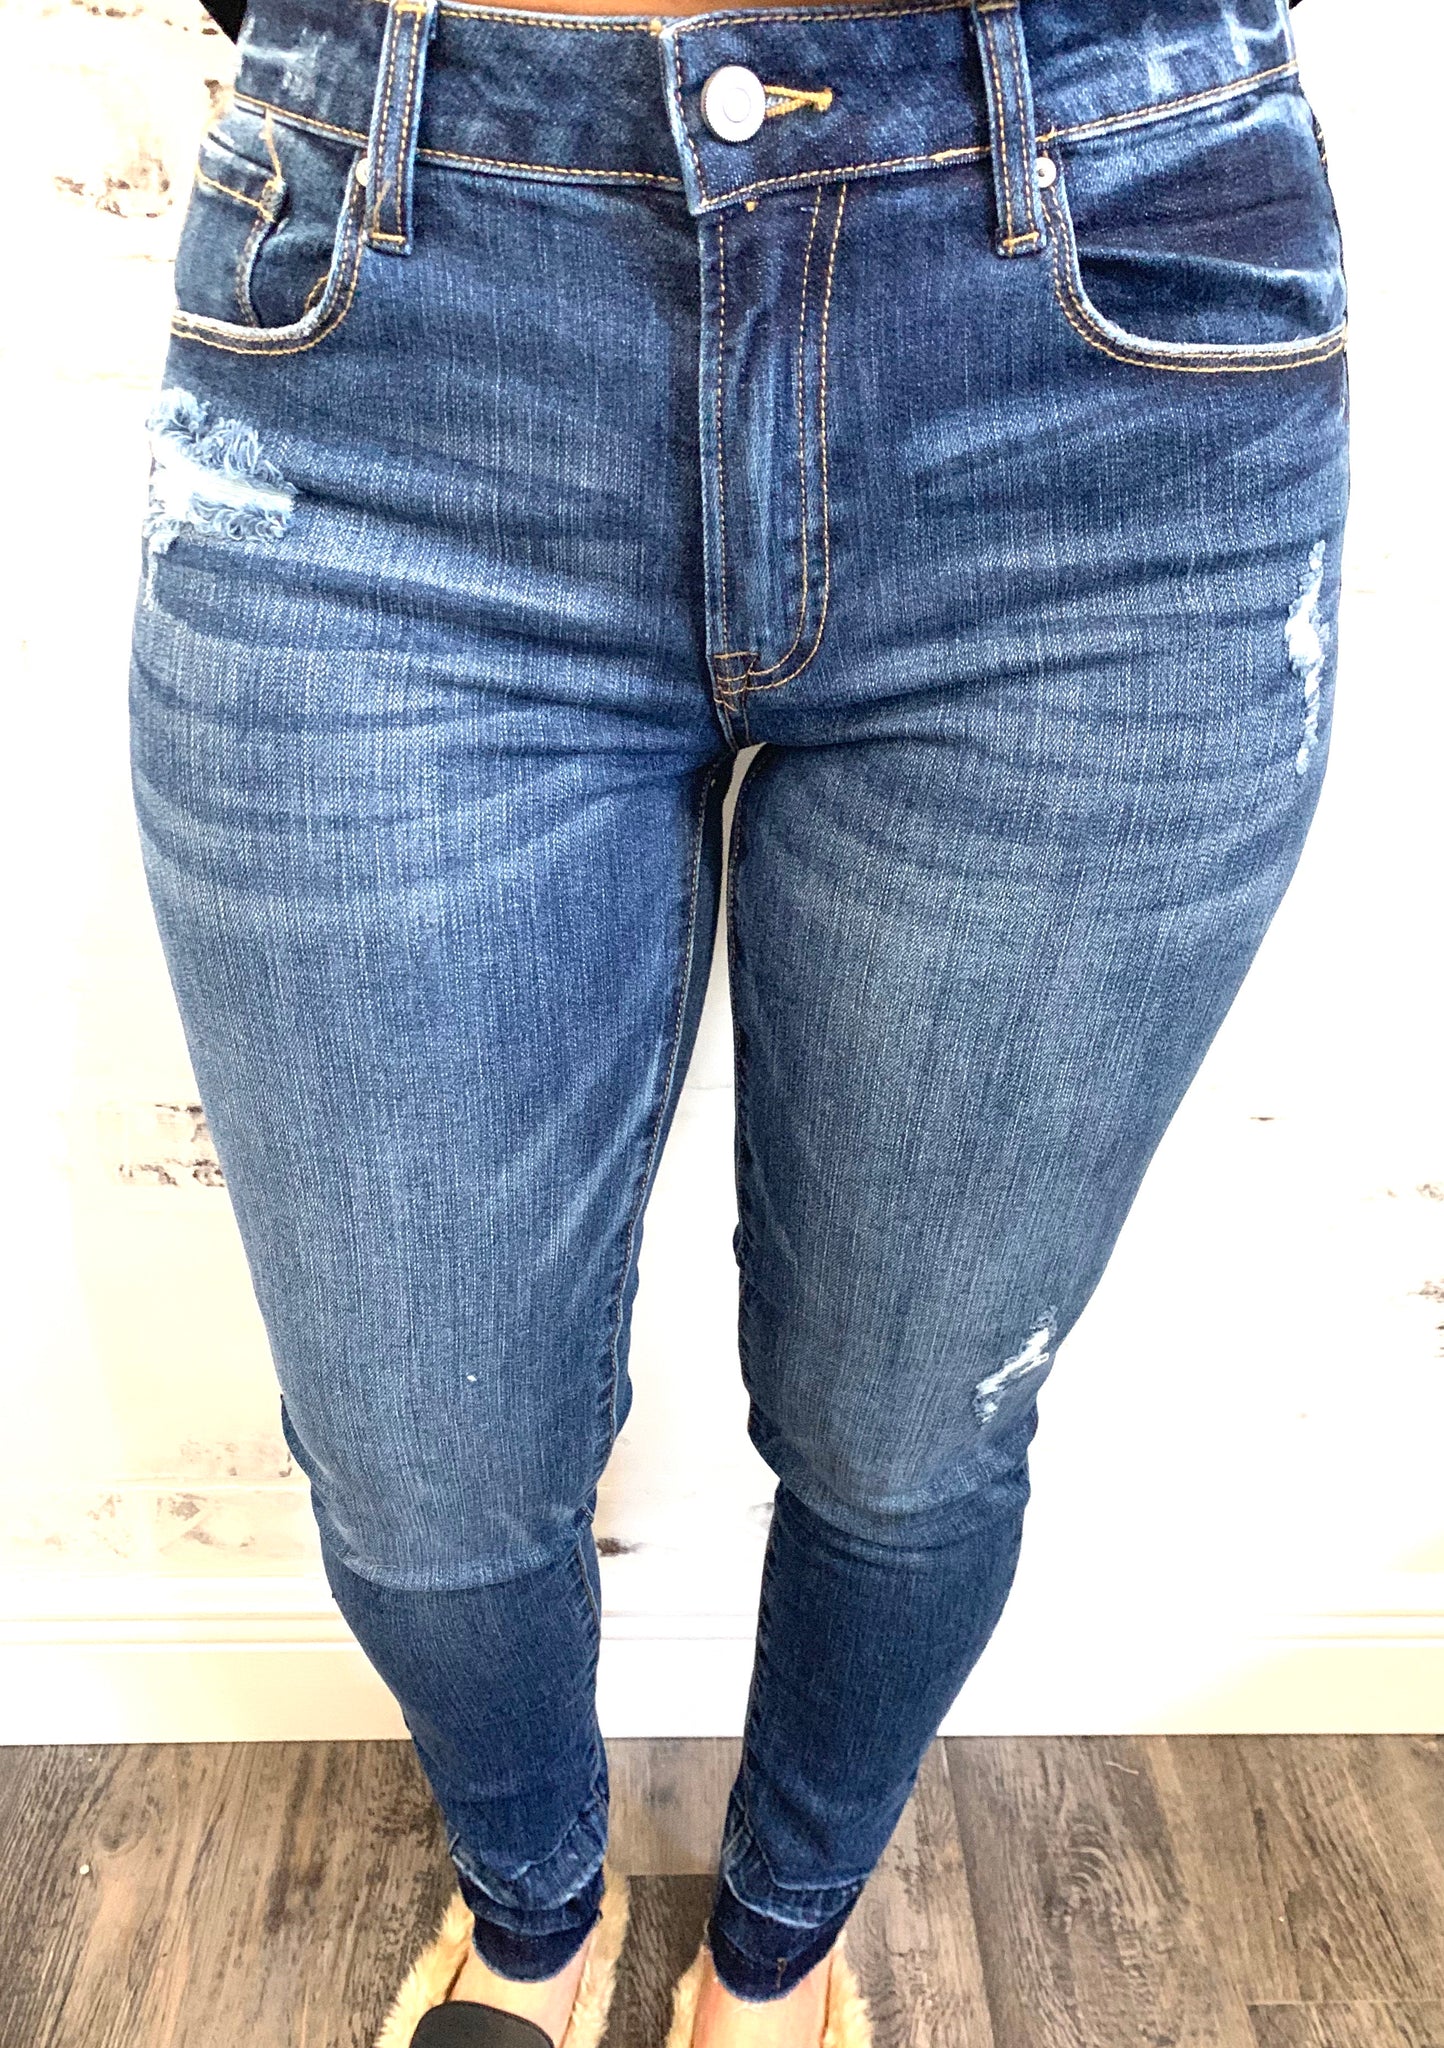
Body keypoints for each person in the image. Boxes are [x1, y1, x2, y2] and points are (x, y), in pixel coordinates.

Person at [127, 0, 1348, 2041]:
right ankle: (534, 1922)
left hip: (1105, 336)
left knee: (908, 1426)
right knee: (419, 1455)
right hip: (394, 316)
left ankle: (773, 1952)